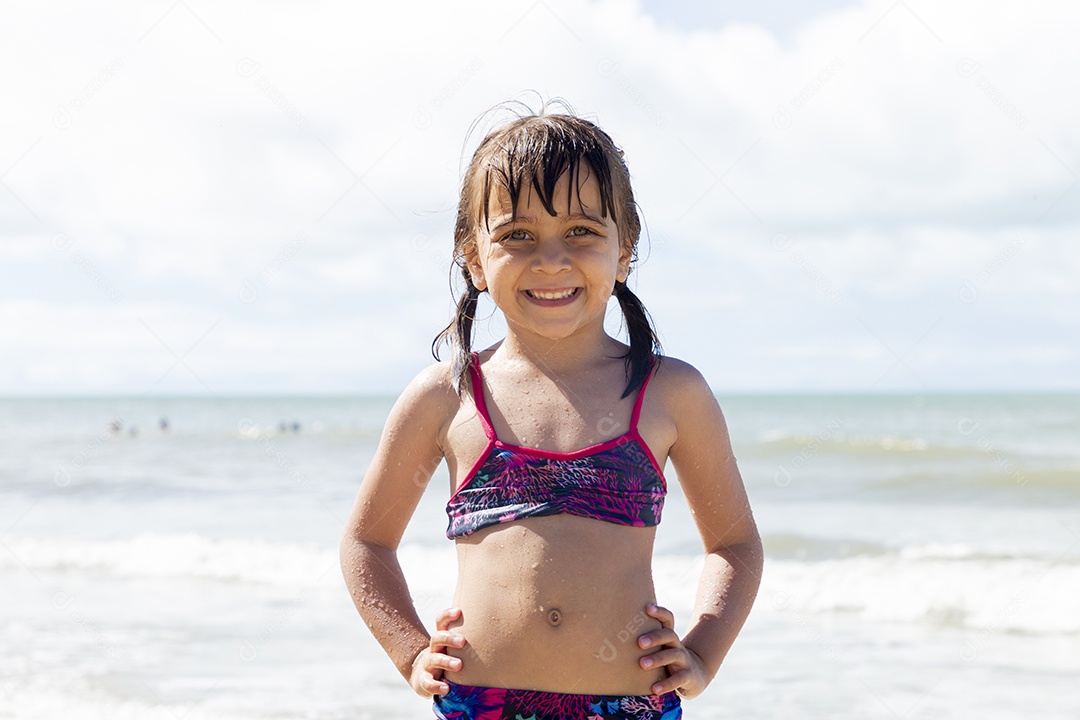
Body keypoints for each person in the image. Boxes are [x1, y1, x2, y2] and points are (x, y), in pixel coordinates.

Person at [340, 103, 762, 720]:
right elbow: (366, 541)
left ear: (624, 251)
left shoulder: (670, 393)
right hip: (479, 702)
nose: (551, 260)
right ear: (475, 258)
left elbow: (734, 543)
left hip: (630, 703)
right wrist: (409, 653)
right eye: (517, 236)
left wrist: (703, 652)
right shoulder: (447, 395)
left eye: (582, 233)